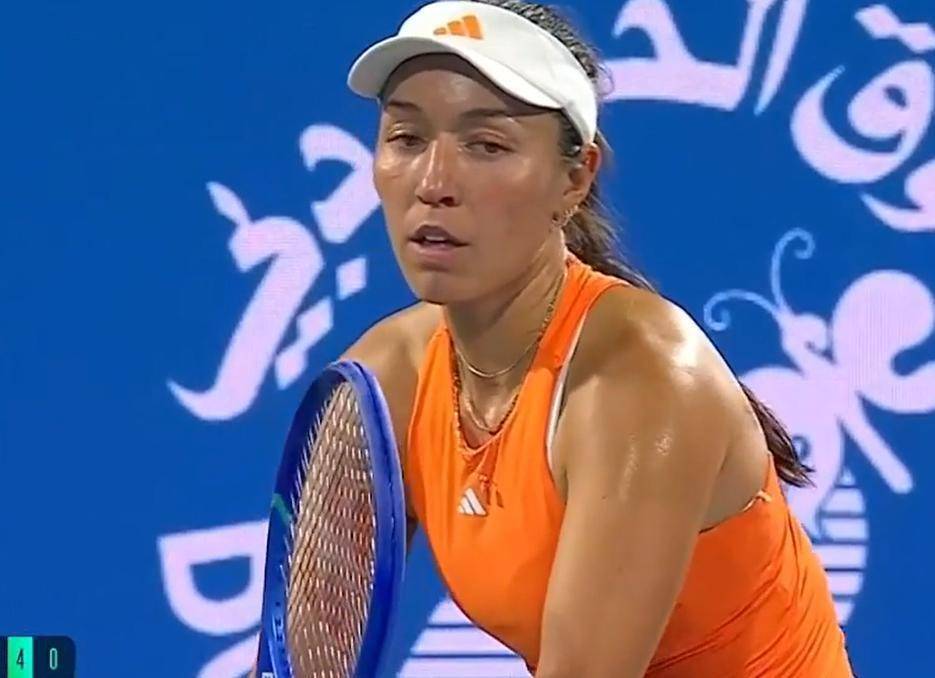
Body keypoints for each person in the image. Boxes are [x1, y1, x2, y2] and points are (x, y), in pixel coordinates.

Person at [342, 1, 854, 675]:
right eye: (407, 138)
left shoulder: (644, 379)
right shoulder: (386, 377)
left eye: (486, 145)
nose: (433, 183)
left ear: (575, 178)